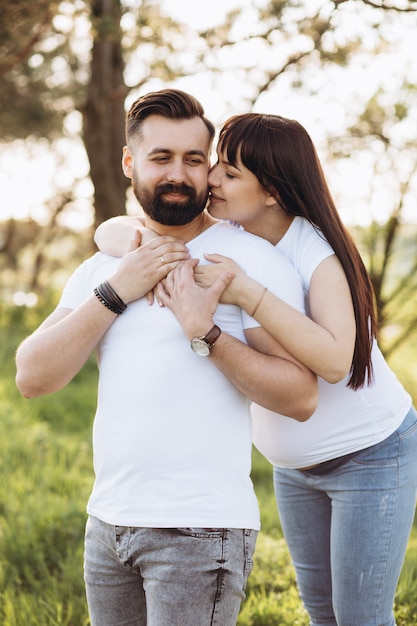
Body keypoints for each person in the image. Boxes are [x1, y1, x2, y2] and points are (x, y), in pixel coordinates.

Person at [95, 111, 417, 626]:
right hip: (294, 468)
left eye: (229, 172)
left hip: (371, 455)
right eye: (216, 165)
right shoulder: (232, 230)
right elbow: (111, 228)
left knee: (360, 617)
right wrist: (140, 245)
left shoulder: (316, 252)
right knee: (320, 612)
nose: (211, 179)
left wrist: (248, 291)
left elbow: (335, 362)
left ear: (270, 191)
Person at [15, 91, 318, 626]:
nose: (178, 173)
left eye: (194, 159)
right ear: (130, 163)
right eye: (161, 158)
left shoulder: (245, 261)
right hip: (108, 526)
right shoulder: (107, 264)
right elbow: (33, 376)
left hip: (200, 530)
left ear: (210, 169)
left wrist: (204, 332)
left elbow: (300, 397)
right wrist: (118, 289)